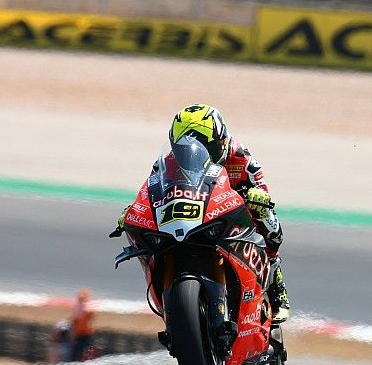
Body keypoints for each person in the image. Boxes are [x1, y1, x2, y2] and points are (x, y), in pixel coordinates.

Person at [120, 104, 290, 323]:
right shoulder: (168, 161)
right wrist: (136, 209)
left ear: (220, 140)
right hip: (195, 210)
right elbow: (153, 190)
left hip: (233, 208)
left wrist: (257, 198)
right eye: (185, 145)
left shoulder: (241, 158)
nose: (196, 150)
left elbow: (262, 192)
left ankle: (277, 289)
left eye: (205, 145)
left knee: (270, 225)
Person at [71, 289, 96, 361]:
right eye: (80, 298)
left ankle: (82, 362)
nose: (81, 299)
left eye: (82, 298)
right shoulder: (78, 308)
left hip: (86, 333)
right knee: (78, 350)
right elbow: (74, 321)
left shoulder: (86, 308)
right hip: (79, 333)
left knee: (84, 350)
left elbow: (90, 318)